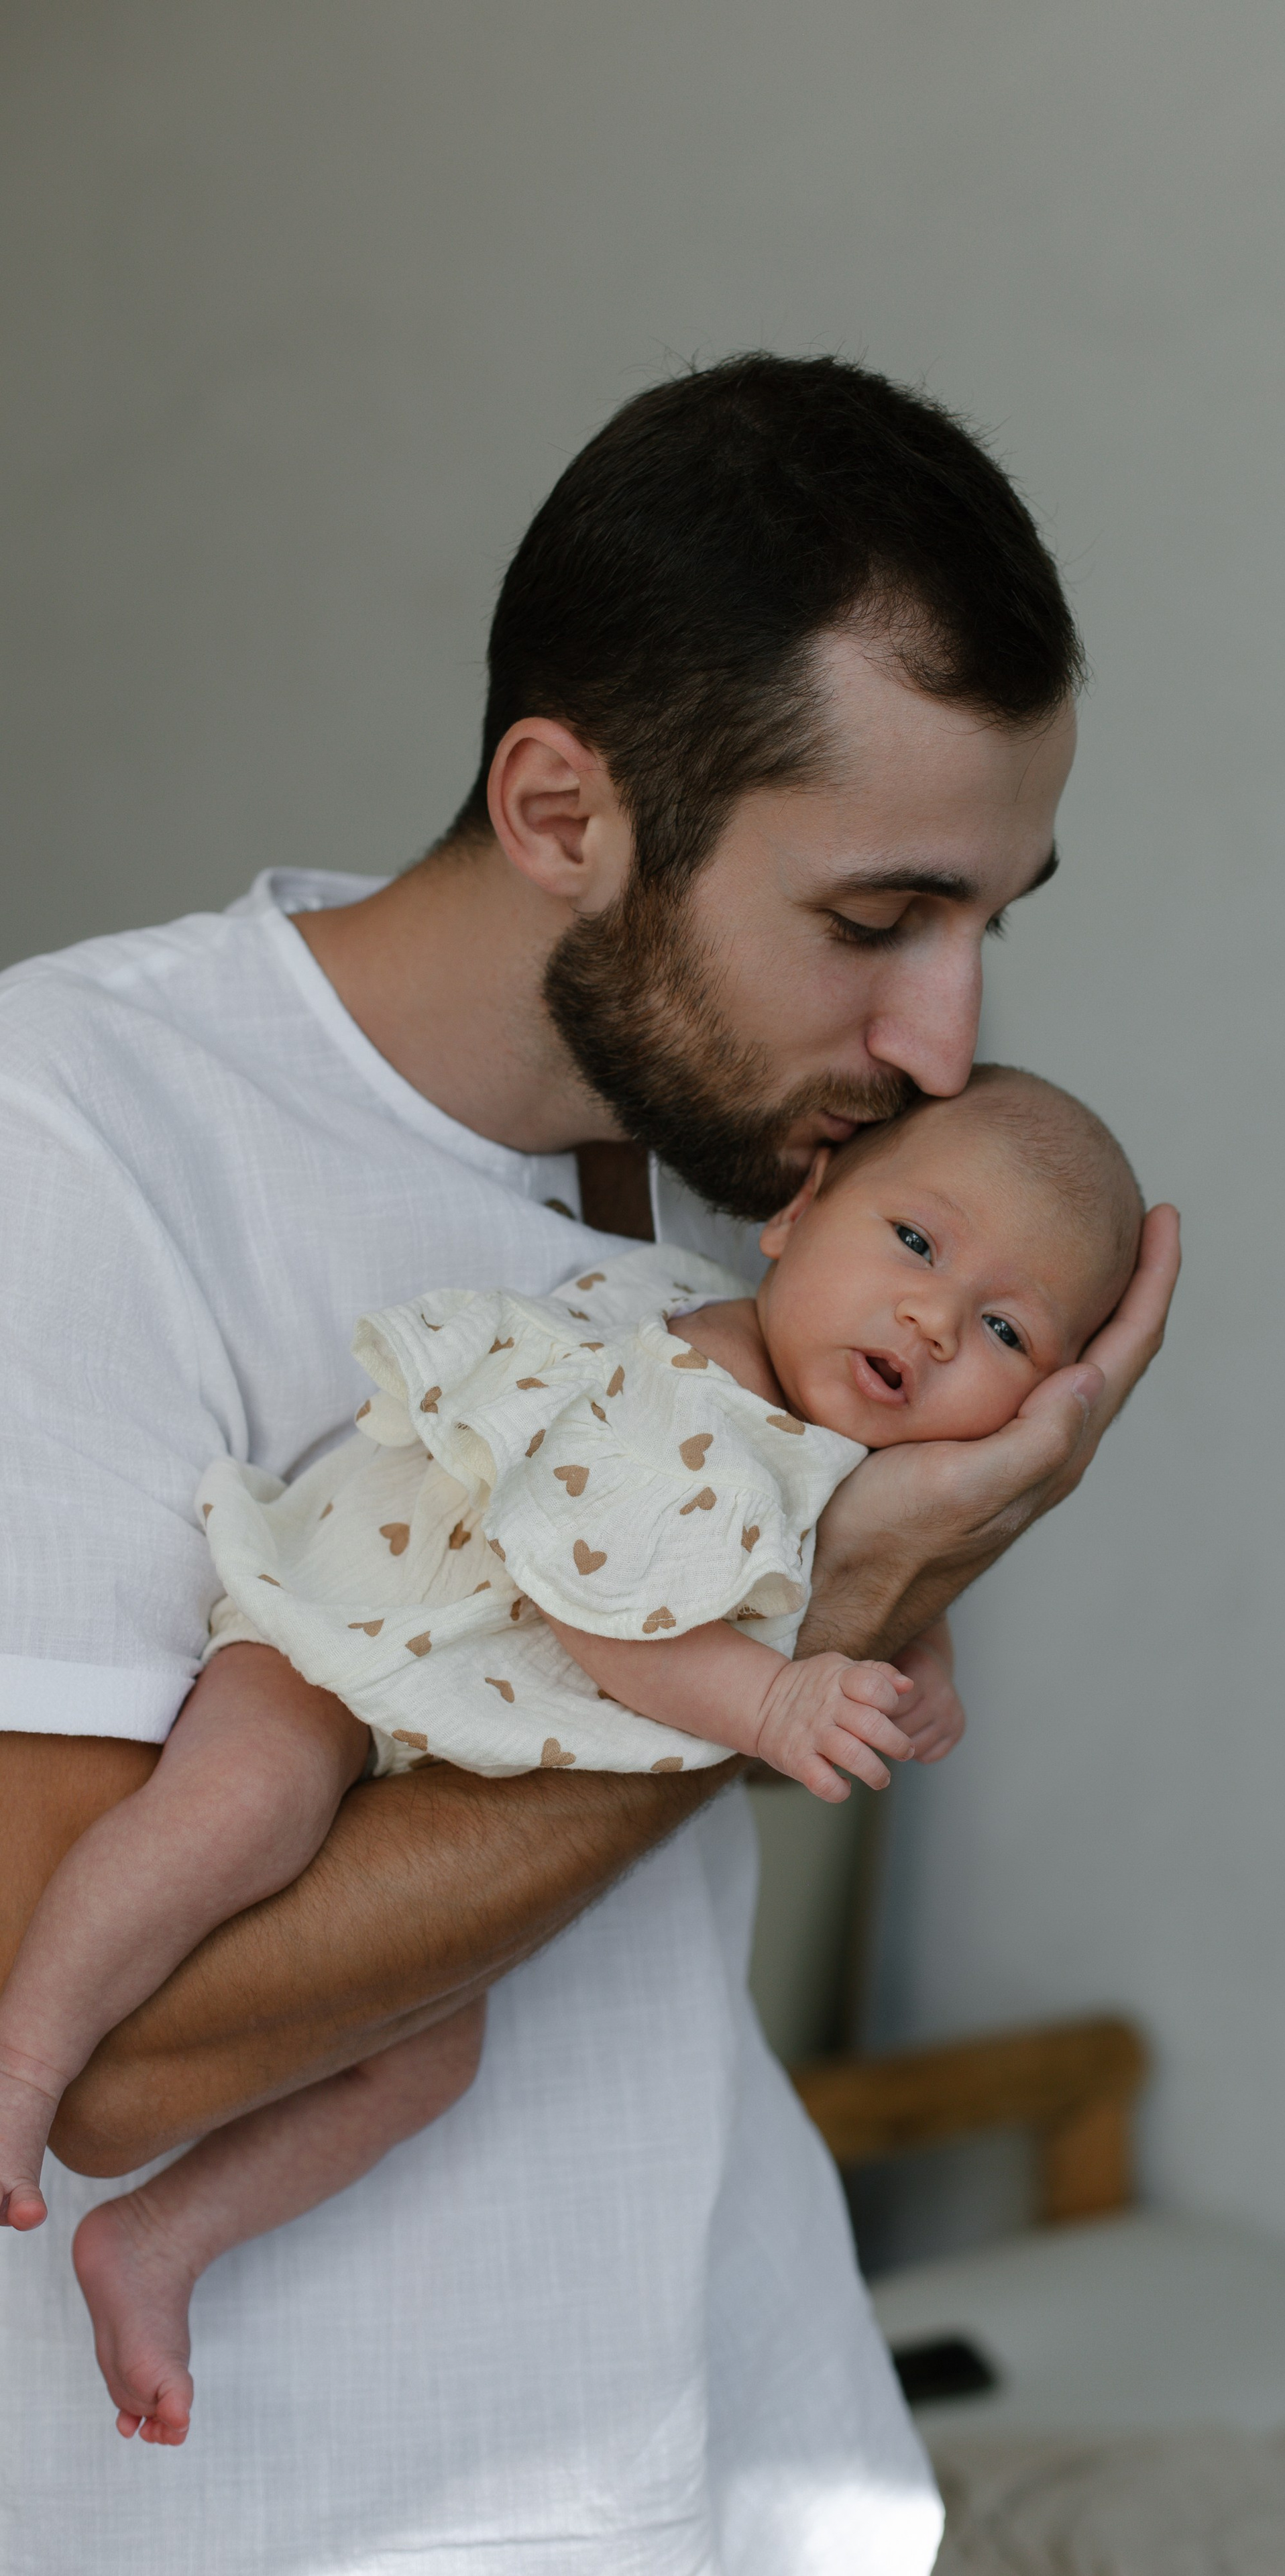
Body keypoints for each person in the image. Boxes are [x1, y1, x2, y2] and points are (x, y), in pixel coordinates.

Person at [0, 354, 1180, 2573]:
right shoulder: (71, 1140)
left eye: (987, 923)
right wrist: (815, 1619)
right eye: (872, 920)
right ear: (565, 813)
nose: (946, 1041)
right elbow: (115, 2070)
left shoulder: (742, 1206)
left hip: (743, 2460)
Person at [0, 1069, 1145, 2447]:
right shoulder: (690, 1386)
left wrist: (918, 1646)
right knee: (245, 1804)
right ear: (796, 1212)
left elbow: (858, 1570)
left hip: (443, 1745)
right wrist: (780, 1703)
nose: (934, 1317)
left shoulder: (841, 1464)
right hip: (355, 1633)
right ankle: (22, 2056)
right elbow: (609, 1622)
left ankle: (160, 2242)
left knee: (424, 2059)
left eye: (1005, 1329)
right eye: (915, 1242)